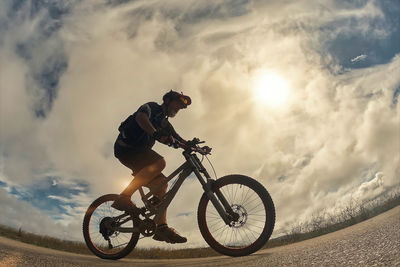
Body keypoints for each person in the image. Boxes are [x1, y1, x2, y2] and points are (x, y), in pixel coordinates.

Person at [112, 90, 191, 244]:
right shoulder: (152, 107)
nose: (178, 109)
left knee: (162, 185)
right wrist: (155, 133)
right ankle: (124, 197)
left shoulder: (165, 124)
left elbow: (179, 140)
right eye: (177, 104)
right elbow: (141, 117)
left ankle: (161, 228)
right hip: (126, 149)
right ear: (167, 100)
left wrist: (193, 146)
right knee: (160, 162)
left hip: (139, 155)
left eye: (181, 108)